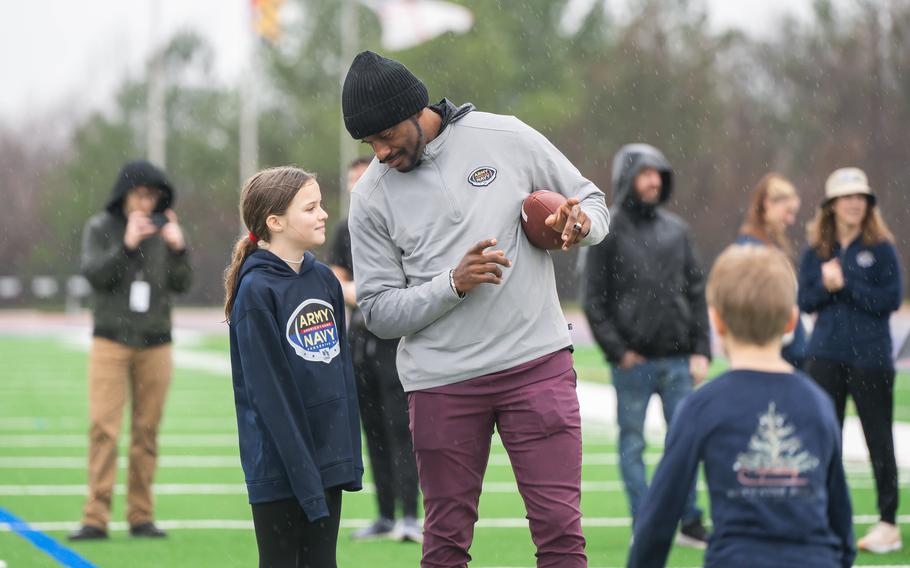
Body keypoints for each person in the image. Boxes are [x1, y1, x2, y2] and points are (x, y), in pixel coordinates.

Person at [342, 51, 609, 567]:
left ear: (414, 108)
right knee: (444, 546)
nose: (379, 153)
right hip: (442, 383)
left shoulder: (504, 136)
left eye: (385, 136)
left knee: (561, 537)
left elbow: (592, 200)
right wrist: (451, 284)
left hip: (536, 366)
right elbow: (376, 310)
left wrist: (581, 226)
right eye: (367, 143)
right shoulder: (370, 196)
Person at [628, 244, 856, 568]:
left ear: (717, 322)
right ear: (792, 322)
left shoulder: (702, 406)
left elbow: (660, 514)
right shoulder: (817, 402)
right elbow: (839, 516)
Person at [224, 166, 364, 567]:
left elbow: (341, 374)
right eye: (311, 207)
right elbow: (269, 395)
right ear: (275, 222)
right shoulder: (256, 290)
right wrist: (303, 470)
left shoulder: (325, 281)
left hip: (324, 458)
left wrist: (343, 456)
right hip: (280, 463)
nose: (324, 214)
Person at [582, 143, 710, 547]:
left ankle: (690, 522)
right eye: (646, 173)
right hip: (632, 365)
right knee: (632, 446)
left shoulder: (677, 230)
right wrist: (619, 353)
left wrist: (702, 349)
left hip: (678, 362)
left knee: (685, 443)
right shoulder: (607, 230)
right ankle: (647, 524)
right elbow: (593, 301)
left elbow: (696, 292)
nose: (654, 180)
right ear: (627, 178)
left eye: (659, 174)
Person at [69, 160, 192, 541]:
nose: (147, 202)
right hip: (110, 339)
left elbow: (184, 283)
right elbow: (94, 275)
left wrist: (179, 247)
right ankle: (95, 517)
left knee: (147, 431)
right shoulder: (100, 227)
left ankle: (141, 515)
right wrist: (126, 246)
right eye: (142, 194)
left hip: (156, 341)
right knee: (104, 429)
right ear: (125, 194)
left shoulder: (163, 230)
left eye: (154, 196)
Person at [799, 167, 903, 554]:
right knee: (826, 439)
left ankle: (888, 523)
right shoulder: (816, 250)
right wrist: (826, 288)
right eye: (847, 197)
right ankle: (824, 517)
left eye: (861, 197)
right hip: (824, 357)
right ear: (831, 206)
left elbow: (889, 300)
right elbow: (805, 301)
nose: (855, 203)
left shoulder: (882, 248)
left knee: (879, 440)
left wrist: (847, 284)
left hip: (871, 360)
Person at [329, 156, 422, 543]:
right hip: (359, 342)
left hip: (395, 342)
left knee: (403, 431)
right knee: (373, 433)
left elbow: (407, 284)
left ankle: (411, 518)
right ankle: (384, 515)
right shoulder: (343, 229)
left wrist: (366, 295)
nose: (357, 186)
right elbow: (337, 280)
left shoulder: (401, 220)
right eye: (351, 180)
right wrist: (367, 296)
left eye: (362, 178)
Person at [736, 172, 807, 368]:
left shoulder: (771, 246)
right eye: (788, 211)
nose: (791, 220)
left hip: (789, 353)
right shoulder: (750, 250)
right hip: (772, 357)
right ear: (768, 204)